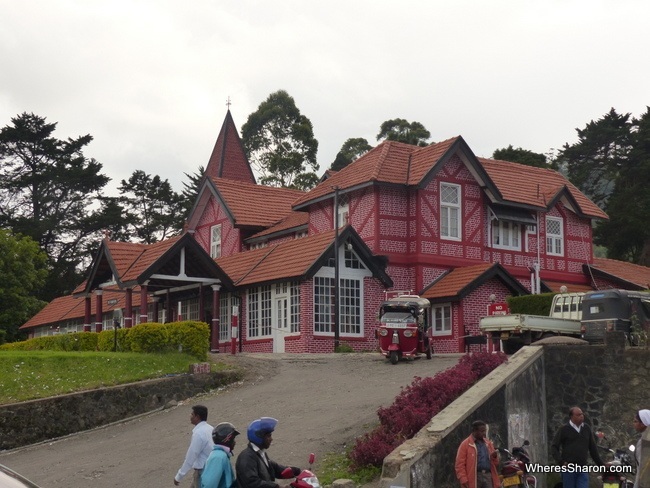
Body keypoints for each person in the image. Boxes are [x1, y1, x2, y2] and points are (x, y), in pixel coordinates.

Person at [235, 417, 301, 488]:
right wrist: (277, 487)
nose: (271, 439)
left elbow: (275, 469)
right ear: (258, 436)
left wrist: (298, 472)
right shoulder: (247, 457)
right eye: (268, 436)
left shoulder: (260, 453)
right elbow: (252, 483)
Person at [551, 406, 603, 488]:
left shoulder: (586, 428)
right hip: (568, 469)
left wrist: (601, 466)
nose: (581, 416)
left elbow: (593, 449)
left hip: (582, 468)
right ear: (571, 416)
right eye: (578, 415)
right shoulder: (564, 429)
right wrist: (561, 462)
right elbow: (554, 447)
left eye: (582, 414)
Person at [175, 405, 214, 487]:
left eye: (192, 414)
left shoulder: (198, 433)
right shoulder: (210, 428)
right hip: (212, 466)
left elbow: (191, 456)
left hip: (203, 470)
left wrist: (179, 476)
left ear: (197, 417)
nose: (190, 416)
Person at [454, 420, 500, 488]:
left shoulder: (488, 443)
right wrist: (463, 479)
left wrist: (495, 456)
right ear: (474, 431)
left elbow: (495, 464)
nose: (484, 433)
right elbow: (459, 464)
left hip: (488, 476)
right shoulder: (465, 444)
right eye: (482, 431)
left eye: (485, 431)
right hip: (474, 476)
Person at [201, 422, 240, 488]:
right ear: (227, 439)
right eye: (233, 439)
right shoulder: (219, 457)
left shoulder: (220, 454)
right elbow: (209, 485)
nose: (235, 442)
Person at [633, 409, 650, 488]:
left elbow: (643, 469)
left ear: (643, 423)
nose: (634, 424)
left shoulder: (645, 441)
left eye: (636, 421)